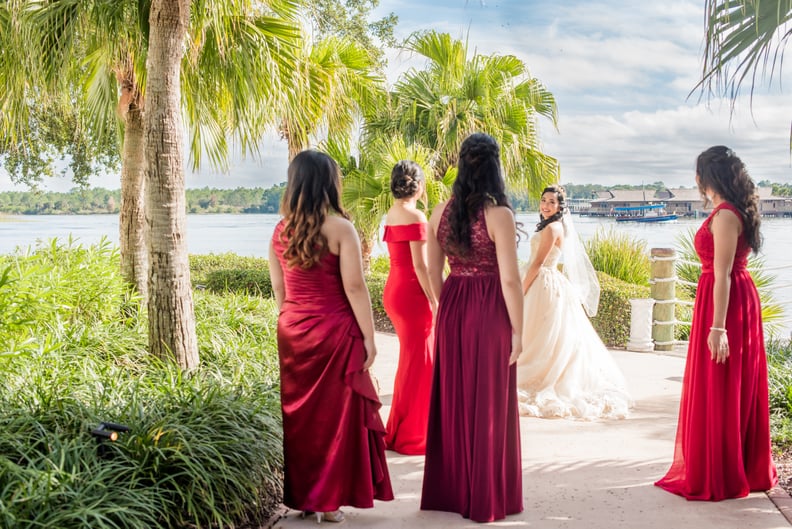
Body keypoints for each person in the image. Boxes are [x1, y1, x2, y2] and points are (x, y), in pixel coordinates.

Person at [269, 149, 394, 523]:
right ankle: (330, 503)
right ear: (330, 183)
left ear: (295, 184)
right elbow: (355, 288)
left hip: (294, 329)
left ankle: (308, 498)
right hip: (334, 331)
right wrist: (370, 339)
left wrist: (291, 320)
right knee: (335, 419)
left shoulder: (279, 230)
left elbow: (279, 288)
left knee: (302, 418)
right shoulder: (340, 227)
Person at [655, 145, 778, 500]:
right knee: (726, 381)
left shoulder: (725, 215)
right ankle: (731, 461)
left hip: (726, 302)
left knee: (723, 380)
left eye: (698, 173)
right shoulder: (728, 210)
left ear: (708, 177)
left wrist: (718, 327)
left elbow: (722, 273)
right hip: (726, 297)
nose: (695, 180)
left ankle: (723, 469)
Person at [420, 132, 524, 523]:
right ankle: (484, 495)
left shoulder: (440, 212)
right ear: (495, 167)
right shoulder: (499, 214)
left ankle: (453, 491)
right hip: (490, 307)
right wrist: (520, 330)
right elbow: (511, 281)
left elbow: (432, 271)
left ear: (461, 165)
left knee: (455, 397)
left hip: (454, 304)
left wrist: (445, 303)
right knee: (490, 400)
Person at [517, 185, 632, 419]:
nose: (546, 205)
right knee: (540, 335)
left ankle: (540, 376)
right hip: (545, 281)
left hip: (543, 281)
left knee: (541, 335)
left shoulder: (552, 229)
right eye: (544, 200)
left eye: (552, 202)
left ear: (560, 207)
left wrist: (521, 290)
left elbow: (538, 263)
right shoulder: (551, 226)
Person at [382, 160, 437, 455]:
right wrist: (436, 300)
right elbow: (421, 266)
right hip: (411, 295)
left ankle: (401, 429)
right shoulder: (416, 215)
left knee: (411, 361)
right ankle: (414, 436)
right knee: (421, 362)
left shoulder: (391, 213)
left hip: (393, 290)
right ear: (420, 185)